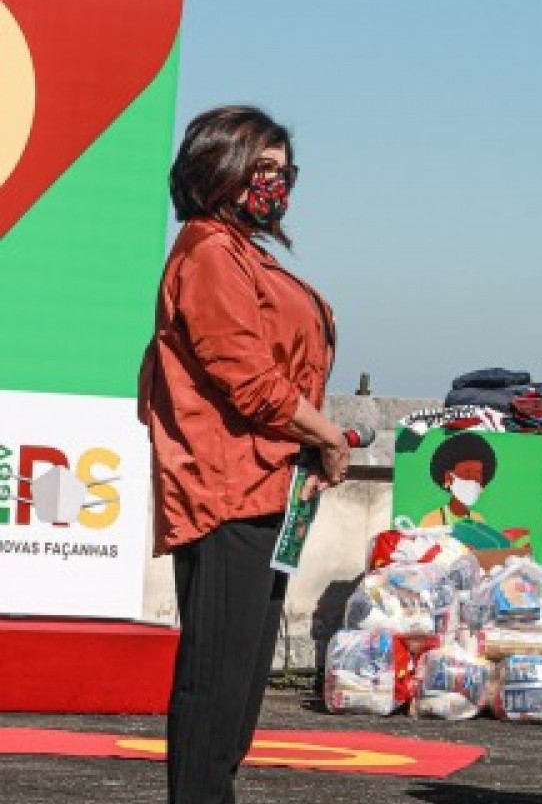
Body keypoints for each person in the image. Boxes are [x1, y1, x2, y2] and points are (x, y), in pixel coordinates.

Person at [138, 106, 350, 804]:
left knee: (239, 689)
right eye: (261, 168)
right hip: (226, 489)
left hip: (267, 488)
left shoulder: (242, 253)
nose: (276, 184)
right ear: (215, 167)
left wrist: (309, 448)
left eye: (284, 171)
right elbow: (248, 379)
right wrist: (325, 436)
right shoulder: (208, 253)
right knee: (215, 685)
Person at [418, 432, 498, 528]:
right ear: (449, 477)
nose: (473, 481)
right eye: (468, 473)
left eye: (478, 475)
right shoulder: (431, 520)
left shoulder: (478, 520)